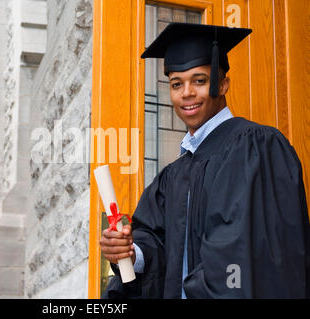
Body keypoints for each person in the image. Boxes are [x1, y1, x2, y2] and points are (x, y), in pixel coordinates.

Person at [99, 22, 310, 298]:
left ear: (223, 84)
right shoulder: (173, 176)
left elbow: (244, 256)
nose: (186, 93)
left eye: (199, 81)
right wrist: (130, 253)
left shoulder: (256, 148)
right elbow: (156, 241)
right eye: (176, 84)